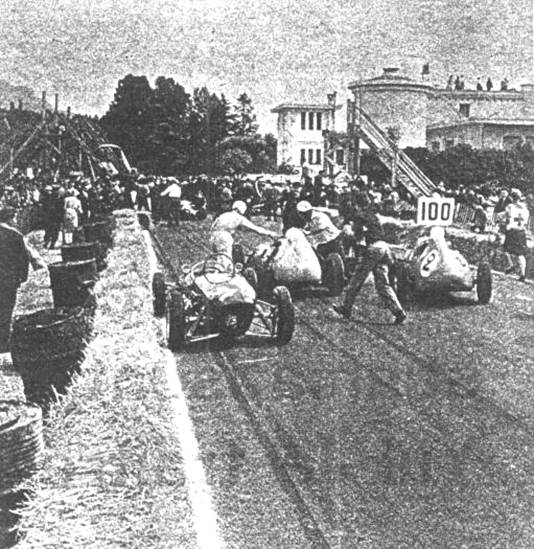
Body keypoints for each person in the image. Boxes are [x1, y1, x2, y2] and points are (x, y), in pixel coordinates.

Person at [333, 205, 407, 324]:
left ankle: (346, 308)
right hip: (383, 247)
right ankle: (399, 312)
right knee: (383, 284)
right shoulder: (371, 217)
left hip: (371, 249)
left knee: (355, 281)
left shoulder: (356, 220)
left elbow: (356, 240)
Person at [0, 208, 30, 353]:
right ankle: (2, 342)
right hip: (8, 280)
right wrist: (23, 276)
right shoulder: (15, 236)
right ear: (11, 218)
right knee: (5, 309)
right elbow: (23, 259)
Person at [209, 200, 278, 257]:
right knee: (225, 260)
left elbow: (214, 226)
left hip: (213, 237)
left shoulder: (224, 214)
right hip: (224, 238)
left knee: (217, 258)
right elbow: (255, 229)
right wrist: (270, 233)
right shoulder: (239, 218)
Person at [502, 189, 529, 282]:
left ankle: (511, 265)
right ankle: (522, 274)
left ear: (512, 197)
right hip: (521, 232)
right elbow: (525, 221)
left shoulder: (510, 207)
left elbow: (506, 218)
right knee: (520, 253)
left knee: (506, 250)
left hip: (512, 230)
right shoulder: (525, 209)